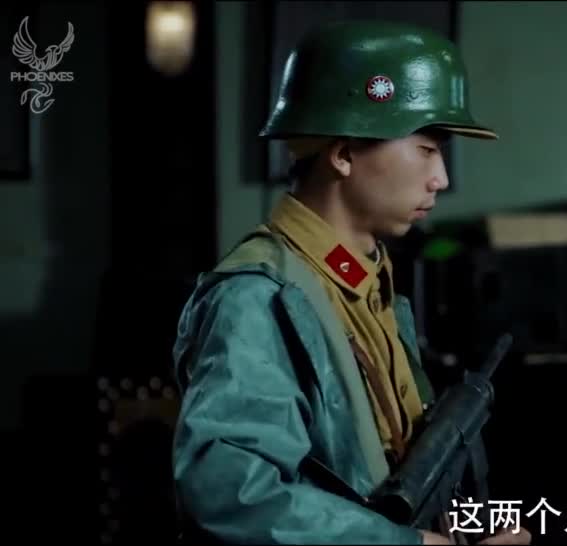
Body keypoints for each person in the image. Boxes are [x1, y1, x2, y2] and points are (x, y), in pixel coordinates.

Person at [170, 21, 530, 545]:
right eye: (426, 148)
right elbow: (233, 495)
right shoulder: (257, 297)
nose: (441, 178)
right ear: (343, 154)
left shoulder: (367, 284)